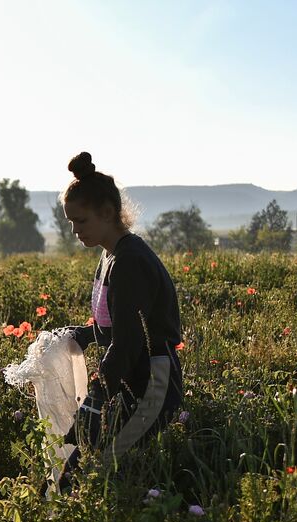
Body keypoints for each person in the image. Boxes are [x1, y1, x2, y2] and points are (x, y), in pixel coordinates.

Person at [57, 152, 183, 471]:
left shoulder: (130, 262)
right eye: (71, 222)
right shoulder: (111, 256)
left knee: (103, 464)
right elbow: (115, 327)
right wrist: (81, 336)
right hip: (130, 380)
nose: (75, 230)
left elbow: (128, 342)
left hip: (152, 383)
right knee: (92, 463)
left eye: (81, 221)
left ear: (108, 212)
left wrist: (95, 400)